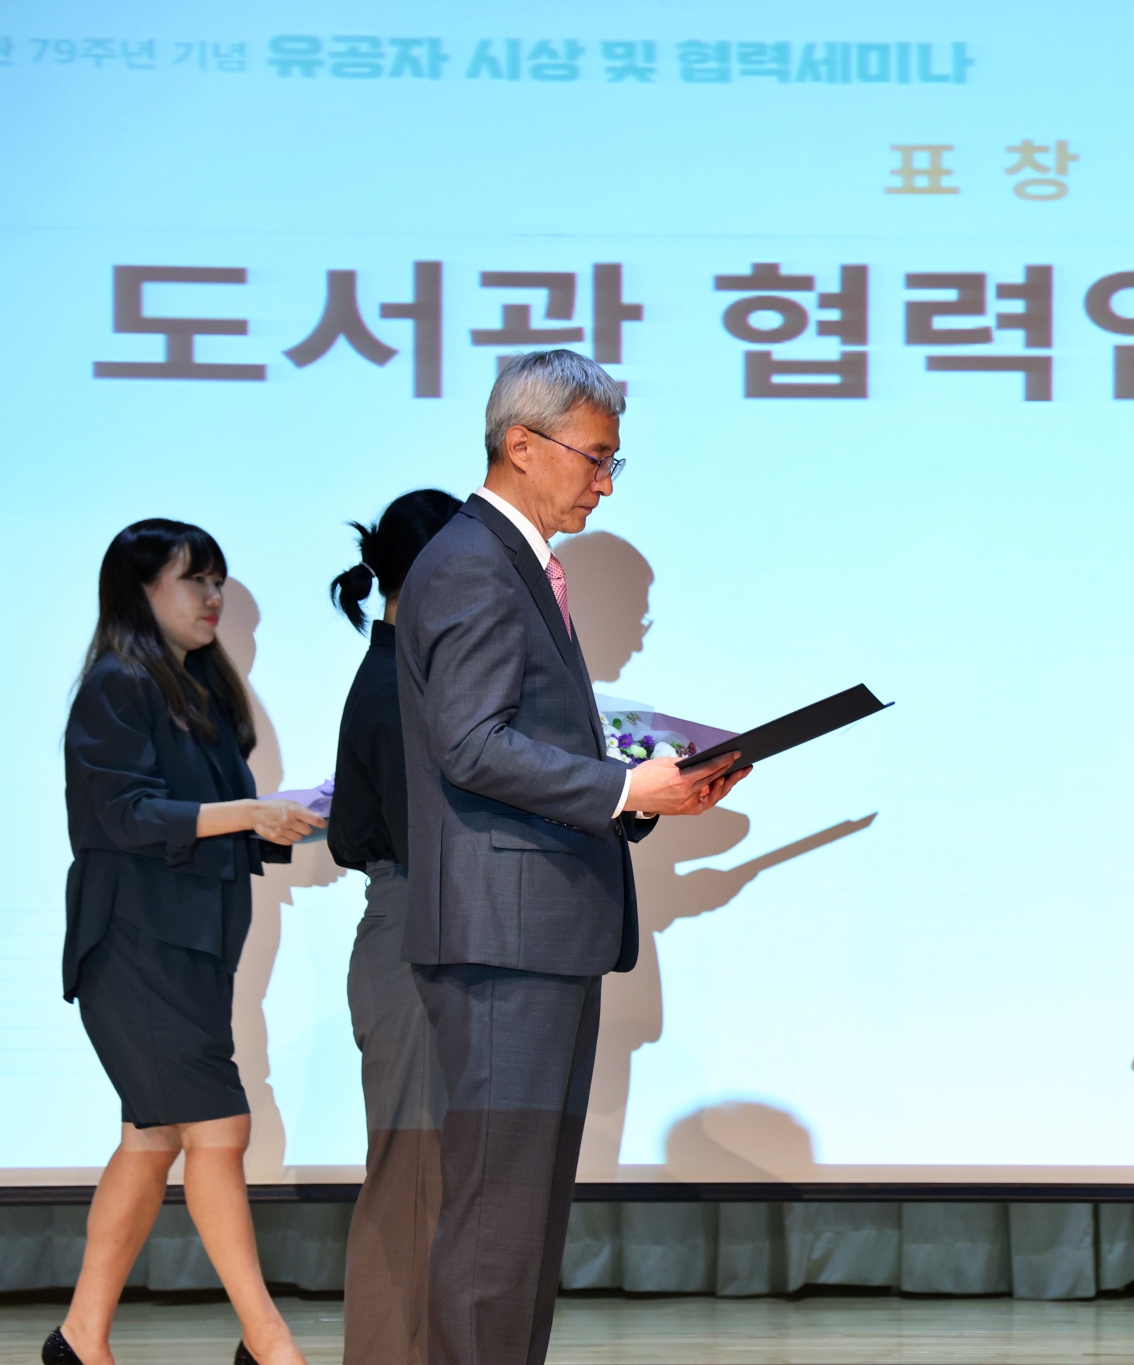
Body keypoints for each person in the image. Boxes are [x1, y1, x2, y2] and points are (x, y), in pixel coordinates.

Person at [396, 349, 748, 1365]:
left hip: (534, 931)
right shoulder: (470, 561)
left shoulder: (504, 562)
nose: (604, 481)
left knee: (524, 1215)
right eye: (595, 458)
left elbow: (512, 744)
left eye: (612, 462)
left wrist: (644, 796)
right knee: (498, 1218)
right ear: (521, 445)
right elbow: (469, 745)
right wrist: (625, 787)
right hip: (506, 940)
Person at [52, 520, 323, 1365]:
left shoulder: (197, 688)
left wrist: (303, 814)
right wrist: (250, 811)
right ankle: (268, 1342)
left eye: (219, 580)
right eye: (193, 580)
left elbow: (205, 822)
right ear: (140, 592)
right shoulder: (115, 683)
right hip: (133, 945)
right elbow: (121, 817)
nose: (212, 597)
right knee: (219, 1129)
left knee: (153, 1137)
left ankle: (80, 1337)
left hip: (192, 947)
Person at [326, 489, 463, 1365]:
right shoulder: (401, 682)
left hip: (414, 927)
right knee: (412, 1180)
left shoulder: (401, 670)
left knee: (432, 1182)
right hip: (417, 932)